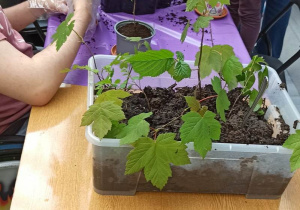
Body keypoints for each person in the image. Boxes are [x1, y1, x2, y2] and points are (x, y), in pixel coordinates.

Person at [0, 0, 93, 136]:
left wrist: (38, 5)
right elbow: (37, 87)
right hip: (19, 119)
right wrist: (82, 15)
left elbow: (4, 23)